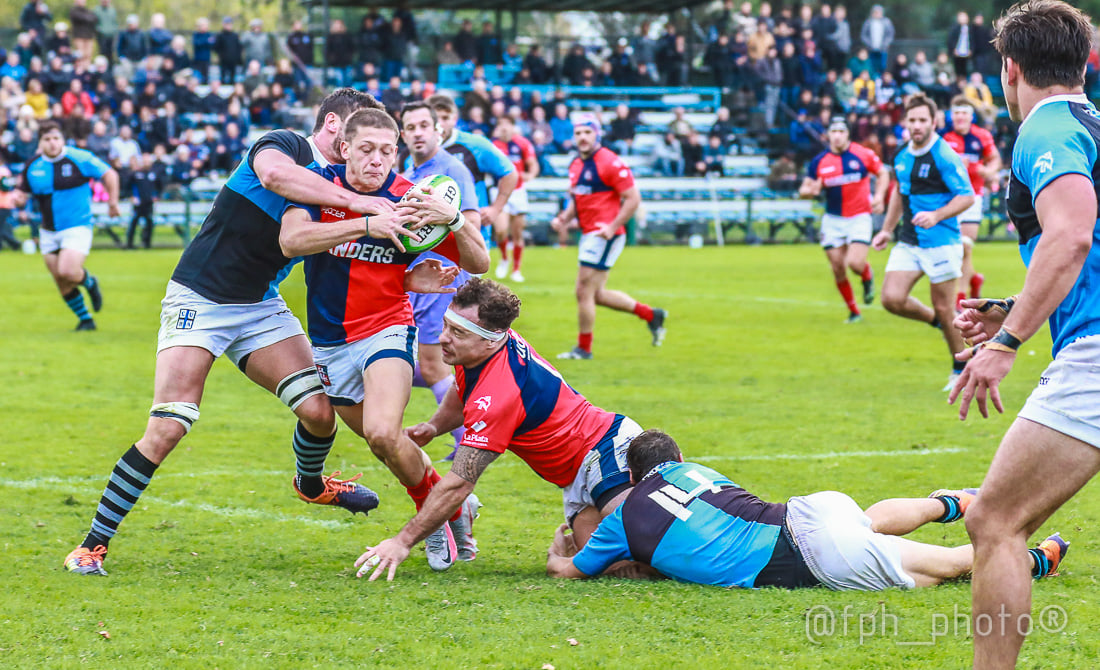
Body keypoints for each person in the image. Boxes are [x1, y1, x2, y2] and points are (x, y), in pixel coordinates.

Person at [61, 89, 411, 577]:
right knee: (169, 425)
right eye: (358, 133)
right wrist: (362, 206)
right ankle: (91, 545)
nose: (365, 147)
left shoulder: (340, 181)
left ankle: (311, 485)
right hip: (199, 299)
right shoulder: (285, 145)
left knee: (318, 412)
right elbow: (274, 177)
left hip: (259, 306)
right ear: (334, 124)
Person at [948, 2, 1100, 667]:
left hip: (1094, 355)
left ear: (1010, 68)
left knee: (994, 520)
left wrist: (1007, 341)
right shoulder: (1091, 124)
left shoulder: (1046, 129)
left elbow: (1071, 235)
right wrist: (1013, 305)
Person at [280, 106, 489, 573]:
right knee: (389, 443)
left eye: (386, 152)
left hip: (388, 327)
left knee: (380, 430)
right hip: (329, 341)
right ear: (345, 148)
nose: (377, 160)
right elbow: (291, 242)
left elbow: (479, 264)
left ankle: (431, 520)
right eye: (367, 149)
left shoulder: (410, 199)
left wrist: (454, 220)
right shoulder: (319, 186)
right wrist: (366, 224)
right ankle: (453, 505)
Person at [353, 278, 645, 581]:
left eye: (457, 333)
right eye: (446, 326)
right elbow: (462, 388)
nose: (443, 338)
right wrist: (435, 426)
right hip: (575, 475)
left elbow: (459, 484)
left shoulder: (499, 393)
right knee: (605, 567)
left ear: (490, 340)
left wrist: (401, 542)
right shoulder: (480, 346)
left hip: (605, 451)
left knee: (644, 547)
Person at [545, 430, 1068, 590]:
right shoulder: (697, 471)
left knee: (940, 570)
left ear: (632, 477)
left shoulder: (620, 521)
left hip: (807, 557)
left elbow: (570, 571)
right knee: (863, 521)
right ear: (677, 460)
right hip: (809, 510)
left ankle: (1032, 559)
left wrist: (558, 550)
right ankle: (944, 503)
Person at [870, 94, 974, 391]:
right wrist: (886, 230)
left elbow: (966, 196)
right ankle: (939, 322)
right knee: (891, 299)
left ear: (933, 122)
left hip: (941, 242)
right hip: (909, 241)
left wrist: (936, 215)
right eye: (912, 120)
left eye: (922, 120)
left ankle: (961, 367)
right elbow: (898, 193)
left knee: (945, 307)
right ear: (905, 122)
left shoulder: (944, 155)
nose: (916, 125)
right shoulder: (901, 154)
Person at [399, 101, 484, 461]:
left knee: (433, 363)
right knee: (421, 361)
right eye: (410, 127)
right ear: (402, 134)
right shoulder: (408, 170)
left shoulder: (451, 170)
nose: (417, 133)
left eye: (424, 125)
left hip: (443, 278)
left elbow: (472, 223)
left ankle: (467, 440)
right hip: (417, 280)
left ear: (438, 130)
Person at [552, 115, 666, 360]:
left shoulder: (610, 161)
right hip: (591, 234)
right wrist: (563, 218)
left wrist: (613, 227)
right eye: (578, 133)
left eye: (587, 132)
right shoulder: (576, 164)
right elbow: (578, 199)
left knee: (583, 291)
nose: (583, 137)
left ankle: (584, 349)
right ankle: (651, 315)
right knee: (596, 295)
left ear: (597, 134)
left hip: (604, 235)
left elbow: (633, 198)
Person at [13, 121, 119, 331]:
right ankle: (86, 320)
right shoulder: (32, 165)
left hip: (77, 226)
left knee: (68, 271)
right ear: (40, 142)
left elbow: (110, 174)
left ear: (63, 139)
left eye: (56, 138)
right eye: (47, 139)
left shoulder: (79, 158)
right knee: (61, 280)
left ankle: (90, 283)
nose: (52, 143)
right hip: (48, 231)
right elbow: (22, 194)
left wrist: (113, 202)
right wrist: (18, 199)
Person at [799, 117, 890, 323]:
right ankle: (854, 312)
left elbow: (883, 173)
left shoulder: (862, 154)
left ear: (848, 134)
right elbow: (804, 189)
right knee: (838, 267)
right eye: (834, 131)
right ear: (828, 135)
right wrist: (810, 191)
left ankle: (866, 275)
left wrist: (879, 196)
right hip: (833, 219)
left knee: (855, 264)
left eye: (841, 131)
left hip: (859, 216)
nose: (837, 136)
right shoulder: (819, 161)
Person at [426, 94, 517, 245]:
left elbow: (510, 173)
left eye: (445, 118)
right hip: (430, 234)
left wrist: (495, 209)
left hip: (472, 231)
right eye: (435, 118)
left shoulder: (475, 144)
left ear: (455, 119)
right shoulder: (416, 150)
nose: (440, 123)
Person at [942, 96, 1001, 309]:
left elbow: (994, 159)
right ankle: (974, 279)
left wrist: (989, 170)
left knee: (965, 248)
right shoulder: (944, 137)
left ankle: (960, 298)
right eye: (956, 113)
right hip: (949, 198)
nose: (960, 117)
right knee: (953, 250)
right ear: (951, 116)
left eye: (964, 113)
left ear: (971, 116)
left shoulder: (981, 136)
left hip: (973, 197)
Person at [490, 115, 538, 283]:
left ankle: (516, 269)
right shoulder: (492, 145)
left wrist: (530, 175)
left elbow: (533, 164)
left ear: (512, 127)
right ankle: (504, 258)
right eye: (501, 124)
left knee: (518, 232)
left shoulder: (522, 143)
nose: (504, 128)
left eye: (507, 124)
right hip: (499, 190)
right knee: (501, 230)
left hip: (518, 191)